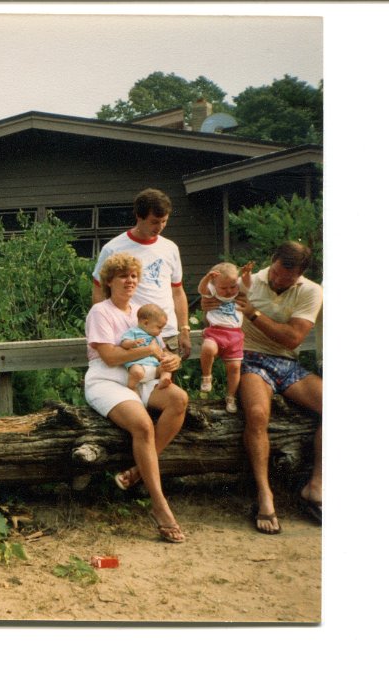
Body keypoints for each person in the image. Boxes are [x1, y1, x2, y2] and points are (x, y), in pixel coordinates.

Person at [84, 253, 188, 543]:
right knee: (143, 425)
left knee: (179, 399)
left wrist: (170, 362)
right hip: (107, 380)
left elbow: (161, 349)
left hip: (143, 378)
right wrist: (149, 353)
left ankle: (137, 472)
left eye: (133, 276)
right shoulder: (100, 312)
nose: (130, 281)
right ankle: (159, 504)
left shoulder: (141, 312)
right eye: (123, 276)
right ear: (109, 281)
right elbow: (111, 355)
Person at [229, 241, 322, 534]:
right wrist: (212, 303)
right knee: (257, 414)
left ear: (301, 274)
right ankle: (264, 494)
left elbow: (293, 338)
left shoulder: (311, 290)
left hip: (287, 361)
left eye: (288, 277)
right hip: (251, 359)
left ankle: (316, 486)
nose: (280, 280)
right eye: (278, 273)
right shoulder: (249, 281)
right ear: (273, 259)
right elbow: (216, 303)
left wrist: (254, 314)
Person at [92, 188, 192, 359]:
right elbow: (98, 290)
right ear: (139, 216)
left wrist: (184, 329)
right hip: (134, 335)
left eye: (164, 221)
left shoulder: (170, 248)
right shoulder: (114, 248)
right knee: (135, 382)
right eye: (154, 222)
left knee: (166, 383)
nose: (160, 227)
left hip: (168, 333)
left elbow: (177, 291)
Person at [197, 261, 254, 413]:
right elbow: (201, 289)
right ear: (214, 286)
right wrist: (207, 278)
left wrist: (246, 274)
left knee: (234, 368)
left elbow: (247, 283)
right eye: (223, 288)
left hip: (235, 335)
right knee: (208, 348)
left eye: (232, 286)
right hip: (215, 332)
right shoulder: (212, 291)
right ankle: (207, 376)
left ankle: (231, 397)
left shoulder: (239, 291)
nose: (229, 291)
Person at [119, 303, 171, 391]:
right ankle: (132, 387)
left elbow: (160, 352)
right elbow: (124, 343)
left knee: (166, 368)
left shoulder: (156, 337)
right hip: (139, 365)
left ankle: (163, 379)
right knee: (136, 372)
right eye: (159, 327)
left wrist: (165, 356)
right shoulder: (133, 332)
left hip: (154, 367)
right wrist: (132, 343)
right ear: (146, 323)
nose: (161, 331)